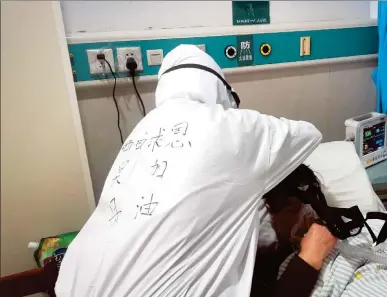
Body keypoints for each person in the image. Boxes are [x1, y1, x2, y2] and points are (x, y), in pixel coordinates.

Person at [56, 45, 324, 297]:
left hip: (73, 281)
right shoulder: (229, 125)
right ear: (221, 89)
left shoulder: (144, 127)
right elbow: (310, 134)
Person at [251, 164, 337, 297]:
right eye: (292, 208)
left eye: (313, 202)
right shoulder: (255, 271)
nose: (309, 215)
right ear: (270, 214)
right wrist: (309, 259)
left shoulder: (341, 232)